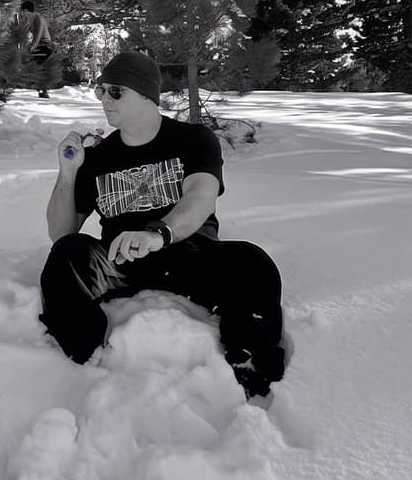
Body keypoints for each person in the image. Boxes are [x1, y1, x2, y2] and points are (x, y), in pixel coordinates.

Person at [40, 50, 287, 402]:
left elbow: (201, 197)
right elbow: (60, 232)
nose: (105, 100)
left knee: (253, 262)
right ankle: (82, 359)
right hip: (122, 263)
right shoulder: (97, 158)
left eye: (116, 92)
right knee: (67, 253)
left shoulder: (193, 140)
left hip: (190, 258)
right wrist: (68, 173)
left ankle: (250, 368)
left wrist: (158, 234)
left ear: (147, 95)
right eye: (101, 90)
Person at [16, 0, 55, 98]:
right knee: (35, 65)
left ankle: (40, 88)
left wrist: (29, 50)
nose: (22, 15)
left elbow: (36, 39)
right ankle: (42, 89)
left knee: (26, 61)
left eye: (22, 12)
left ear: (26, 11)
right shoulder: (33, 20)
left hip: (45, 47)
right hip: (41, 47)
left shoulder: (38, 19)